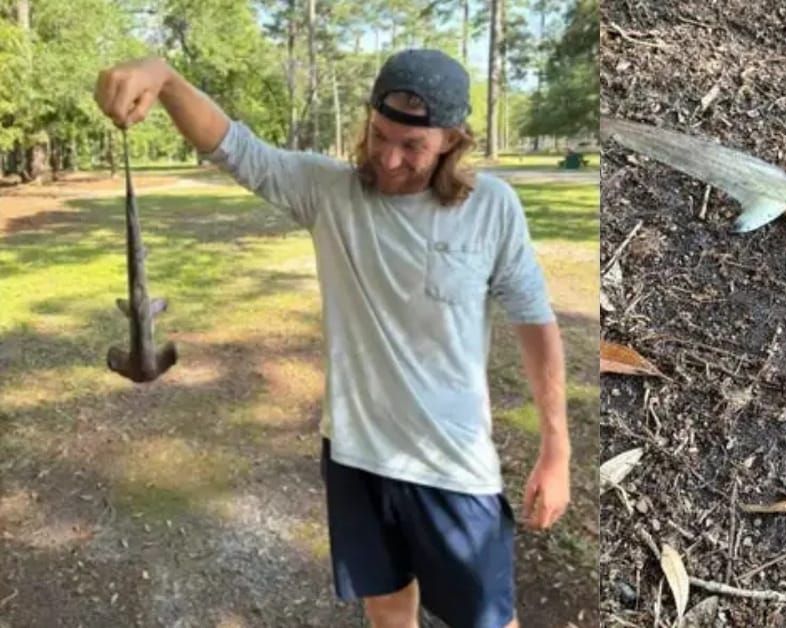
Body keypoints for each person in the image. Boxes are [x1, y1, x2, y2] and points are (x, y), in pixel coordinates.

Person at [93, 49, 571, 628]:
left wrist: (556, 450)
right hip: (355, 455)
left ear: (451, 140)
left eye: (412, 146)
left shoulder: (491, 208)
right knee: (389, 612)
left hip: (452, 468)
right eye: (379, 135)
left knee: (487, 622)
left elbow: (536, 324)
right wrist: (164, 79)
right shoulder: (330, 192)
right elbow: (234, 148)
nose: (389, 159)